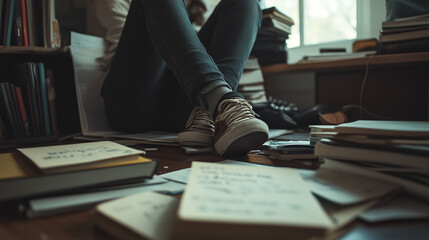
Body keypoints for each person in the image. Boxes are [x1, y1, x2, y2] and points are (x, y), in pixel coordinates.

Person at [98, 0, 269, 157]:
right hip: (134, 99)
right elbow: (129, 49)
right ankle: (221, 100)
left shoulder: (202, 5)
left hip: (187, 109)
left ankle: (210, 112)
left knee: (244, 2)